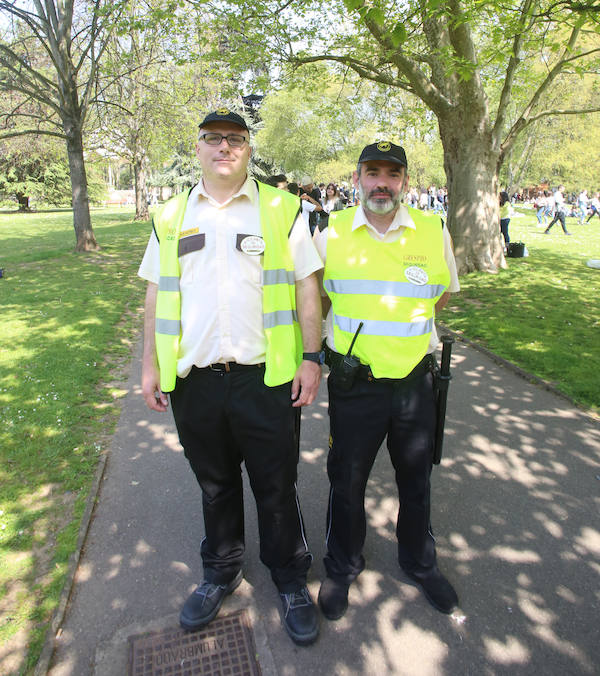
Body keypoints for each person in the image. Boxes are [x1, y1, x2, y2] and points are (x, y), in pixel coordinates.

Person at [138, 109, 323, 646]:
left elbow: (307, 286)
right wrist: (150, 365)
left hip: (264, 379)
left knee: (276, 485)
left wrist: (311, 358)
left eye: (235, 139)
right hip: (195, 379)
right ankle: (220, 571)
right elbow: (154, 291)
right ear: (198, 147)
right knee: (215, 485)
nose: (224, 147)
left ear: (248, 148)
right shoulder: (170, 215)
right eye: (213, 139)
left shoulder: (282, 210)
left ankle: (289, 579)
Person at [313, 140, 460, 621]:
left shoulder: (433, 230)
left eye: (392, 174)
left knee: (416, 479)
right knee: (346, 480)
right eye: (372, 172)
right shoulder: (331, 234)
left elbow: (439, 296)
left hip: (414, 383)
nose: (382, 182)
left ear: (405, 182)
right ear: (356, 178)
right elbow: (316, 302)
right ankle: (341, 567)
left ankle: (419, 562)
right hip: (356, 385)